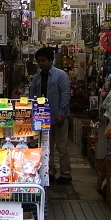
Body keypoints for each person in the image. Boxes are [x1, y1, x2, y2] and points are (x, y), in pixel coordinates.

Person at [28, 46, 72, 184]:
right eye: (39, 61)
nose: (41, 63)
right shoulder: (36, 78)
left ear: (51, 60)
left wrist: (61, 114)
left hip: (59, 117)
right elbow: (32, 96)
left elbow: (65, 95)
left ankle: (66, 174)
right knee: (47, 146)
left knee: (62, 146)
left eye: (44, 61)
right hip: (42, 117)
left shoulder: (61, 75)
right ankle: (50, 172)